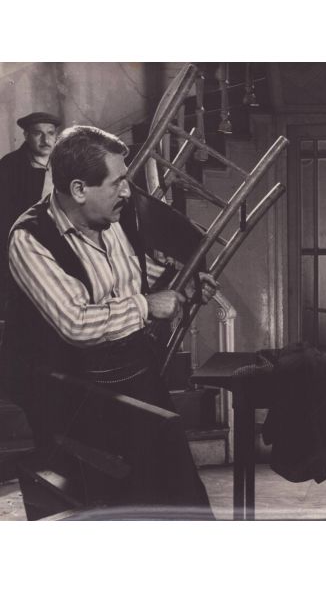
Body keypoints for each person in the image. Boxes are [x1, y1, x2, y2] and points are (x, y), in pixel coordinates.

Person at [0, 125, 218, 515]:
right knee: (113, 503)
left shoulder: (112, 218)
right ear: (79, 189)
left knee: (180, 489)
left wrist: (181, 284)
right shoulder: (30, 238)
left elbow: (135, 275)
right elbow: (77, 324)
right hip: (68, 394)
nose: (127, 191)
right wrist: (147, 307)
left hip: (129, 375)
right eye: (117, 182)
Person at [0, 112, 61, 316]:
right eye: (38, 133)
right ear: (26, 135)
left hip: (60, 238)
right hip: (22, 242)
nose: (45, 140)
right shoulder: (10, 166)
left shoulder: (65, 163)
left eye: (50, 133)